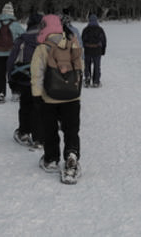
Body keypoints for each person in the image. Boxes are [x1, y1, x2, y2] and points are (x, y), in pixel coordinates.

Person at [31, 14, 83, 179]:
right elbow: (78, 69)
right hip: (72, 97)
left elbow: (36, 74)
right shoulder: (70, 43)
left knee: (50, 130)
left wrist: (37, 95)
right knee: (71, 130)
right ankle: (72, 156)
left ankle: (51, 159)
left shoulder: (42, 48)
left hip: (49, 98)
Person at [6, 13, 44, 149]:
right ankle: (39, 138)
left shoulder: (21, 40)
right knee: (38, 108)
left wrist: (10, 78)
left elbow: (11, 61)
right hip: (41, 81)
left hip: (24, 80)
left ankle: (24, 132)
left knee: (25, 107)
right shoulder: (45, 40)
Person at [0, 2, 24, 103]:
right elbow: (24, 36)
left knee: (0, 74)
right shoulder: (16, 25)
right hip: (13, 53)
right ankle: (16, 93)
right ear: (12, 13)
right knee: (14, 73)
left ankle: (0, 94)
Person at [81, 14, 107, 88]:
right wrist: (103, 50)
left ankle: (87, 79)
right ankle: (96, 81)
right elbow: (104, 41)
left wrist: (82, 49)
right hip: (97, 50)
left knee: (87, 65)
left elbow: (82, 40)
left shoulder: (85, 29)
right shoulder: (100, 29)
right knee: (97, 65)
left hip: (87, 50)